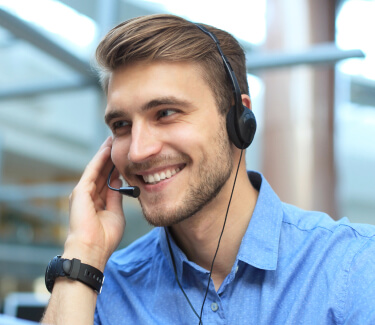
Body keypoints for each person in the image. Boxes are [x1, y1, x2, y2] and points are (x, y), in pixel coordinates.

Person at [42, 14, 375, 325]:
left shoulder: (353, 267)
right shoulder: (98, 287)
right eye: (121, 124)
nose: (139, 151)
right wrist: (82, 251)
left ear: (238, 120)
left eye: (166, 113)